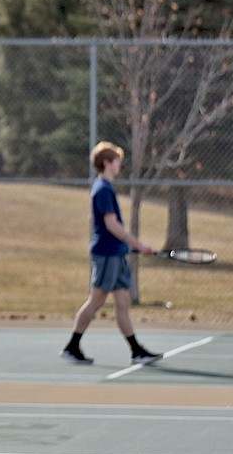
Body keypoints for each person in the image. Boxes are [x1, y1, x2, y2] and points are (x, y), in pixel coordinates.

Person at [60, 141, 163, 366]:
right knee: (97, 300)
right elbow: (111, 225)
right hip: (106, 253)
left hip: (116, 253)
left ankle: (136, 351)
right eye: (117, 161)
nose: (119, 165)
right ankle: (72, 346)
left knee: (123, 301)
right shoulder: (102, 189)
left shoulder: (107, 188)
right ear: (106, 163)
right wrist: (137, 243)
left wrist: (131, 247)